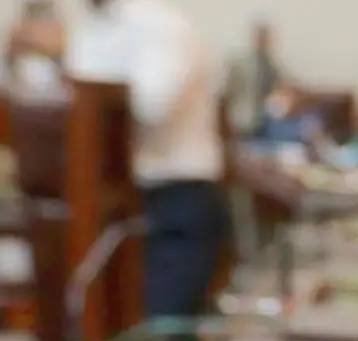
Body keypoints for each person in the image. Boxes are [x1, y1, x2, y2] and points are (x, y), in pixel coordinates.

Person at [67, 0, 228, 322]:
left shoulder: (161, 26)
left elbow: (153, 107)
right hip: (111, 203)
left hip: (175, 197)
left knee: (161, 336)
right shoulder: (92, 27)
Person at [223, 19, 280, 139]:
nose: (263, 42)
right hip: (242, 120)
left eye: (266, 38)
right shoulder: (239, 65)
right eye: (260, 37)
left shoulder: (272, 67)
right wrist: (229, 121)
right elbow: (228, 94)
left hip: (264, 123)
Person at [6, 1, 65, 95]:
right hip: (21, 88)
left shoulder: (57, 26)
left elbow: (57, 45)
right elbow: (13, 43)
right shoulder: (18, 28)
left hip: (50, 89)